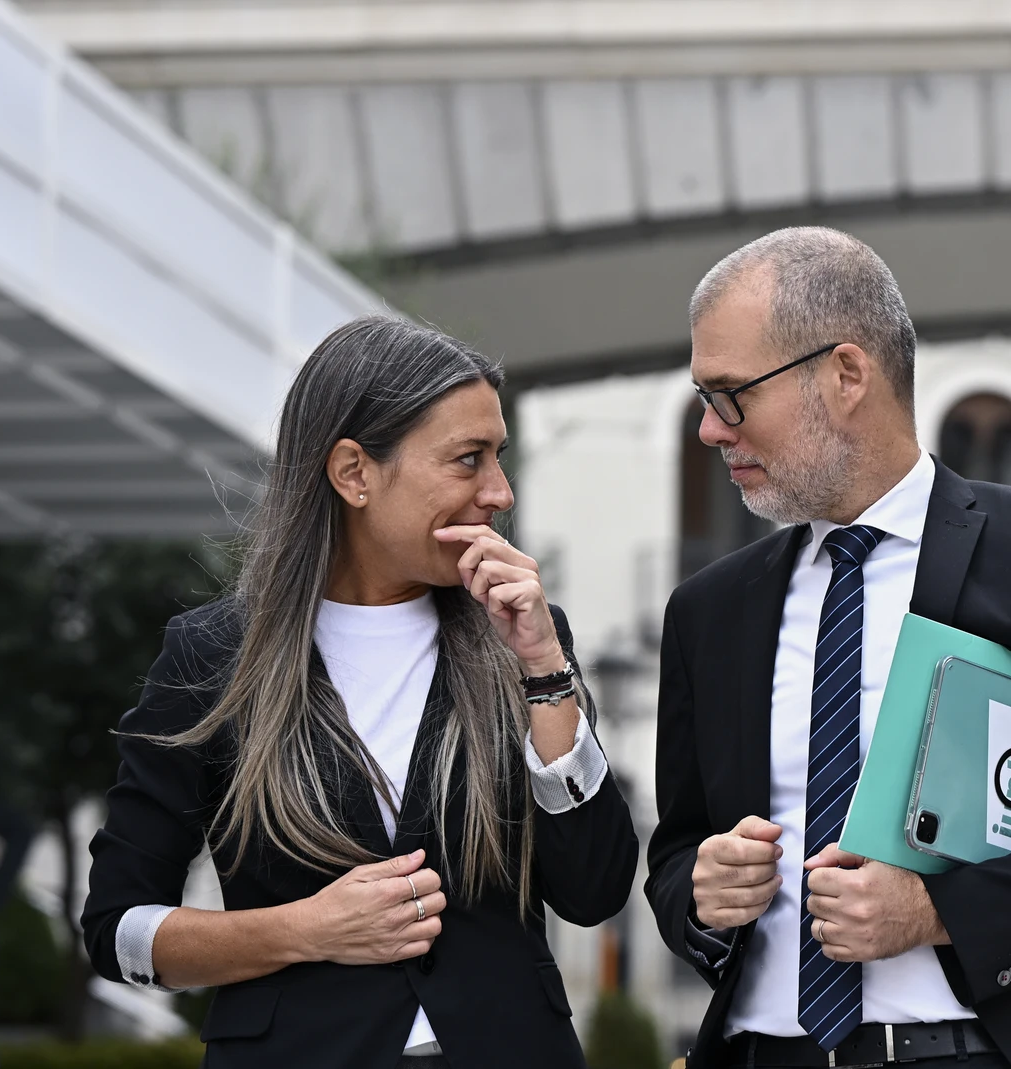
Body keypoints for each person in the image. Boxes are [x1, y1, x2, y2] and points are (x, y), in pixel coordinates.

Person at [644, 227, 1011, 1069]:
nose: (709, 429)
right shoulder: (709, 611)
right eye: (702, 396)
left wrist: (938, 909)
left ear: (845, 375)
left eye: (731, 395)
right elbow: (675, 853)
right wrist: (700, 887)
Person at [81, 318, 638, 1068]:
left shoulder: (526, 639)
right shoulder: (214, 655)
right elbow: (119, 930)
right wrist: (302, 930)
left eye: (498, 458)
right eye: (467, 460)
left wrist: (543, 666)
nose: (499, 492)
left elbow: (595, 888)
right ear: (354, 473)